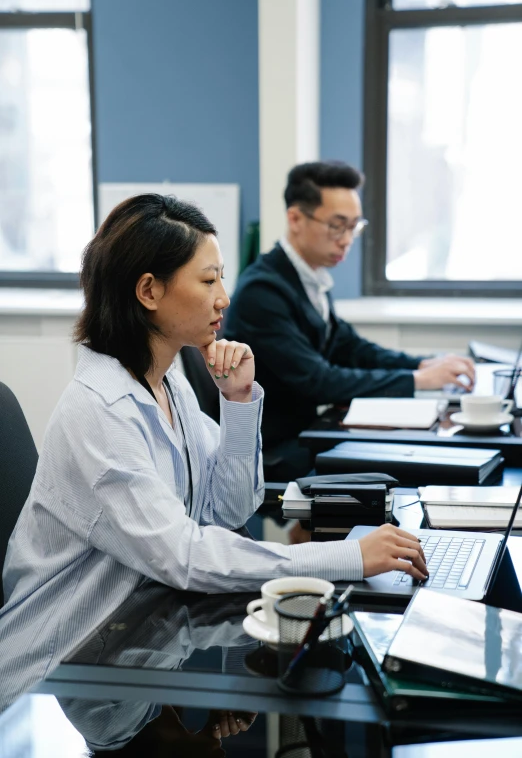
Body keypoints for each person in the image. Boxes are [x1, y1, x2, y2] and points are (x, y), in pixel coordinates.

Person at [0, 195, 427, 695]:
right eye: (208, 280)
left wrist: (239, 401)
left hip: (133, 650)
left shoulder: (166, 378)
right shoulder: (100, 412)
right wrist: (346, 555)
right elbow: (185, 556)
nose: (224, 296)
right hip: (51, 677)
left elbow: (228, 509)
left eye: (221, 276)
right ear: (149, 291)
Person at [224, 162, 475, 481]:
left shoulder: (310, 277)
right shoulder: (263, 290)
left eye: (354, 227)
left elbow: (350, 346)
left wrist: (423, 364)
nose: (346, 240)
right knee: (398, 465)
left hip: (309, 432)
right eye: (337, 226)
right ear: (296, 219)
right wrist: (416, 380)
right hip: (274, 448)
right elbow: (319, 380)